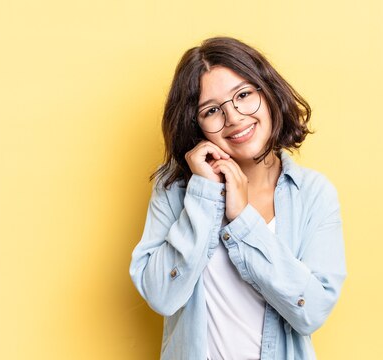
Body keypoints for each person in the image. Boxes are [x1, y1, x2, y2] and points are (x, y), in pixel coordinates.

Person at [130, 37, 347, 360]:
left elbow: (311, 311)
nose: (233, 118)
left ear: (268, 93)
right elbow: (161, 295)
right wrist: (204, 197)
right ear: (196, 124)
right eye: (212, 110)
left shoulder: (314, 194)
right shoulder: (174, 188)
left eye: (243, 95)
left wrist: (244, 220)